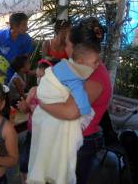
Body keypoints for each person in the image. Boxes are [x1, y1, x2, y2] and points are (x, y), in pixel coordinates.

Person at [37, 17, 112, 184]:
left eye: (67, 44)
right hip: (74, 137)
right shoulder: (80, 68)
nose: (65, 48)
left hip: (82, 142)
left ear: (78, 50)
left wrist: (42, 103)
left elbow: (71, 111)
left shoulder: (94, 75)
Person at [27, 42, 100, 184]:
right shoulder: (75, 76)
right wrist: (86, 112)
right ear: (81, 62)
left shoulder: (62, 65)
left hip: (44, 104)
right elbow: (80, 98)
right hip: (48, 102)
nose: (98, 65)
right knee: (56, 152)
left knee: (44, 151)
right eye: (95, 62)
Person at [16, 59, 51, 184]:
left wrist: (29, 109)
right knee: (24, 162)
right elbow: (26, 109)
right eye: (37, 76)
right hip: (32, 133)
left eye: (43, 76)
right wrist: (24, 108)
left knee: (42, 166)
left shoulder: (54, 95)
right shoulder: (33, 91)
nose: (39, 79)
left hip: (46, 137)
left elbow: (49, 116)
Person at [0, 13, 34, 83]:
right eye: (24, 25)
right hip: (0, 74)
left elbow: (27, 56)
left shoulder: (27, 39)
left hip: (17, 75)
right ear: (14, 26)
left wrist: (26, 68)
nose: (27, 28)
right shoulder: (0, 35)